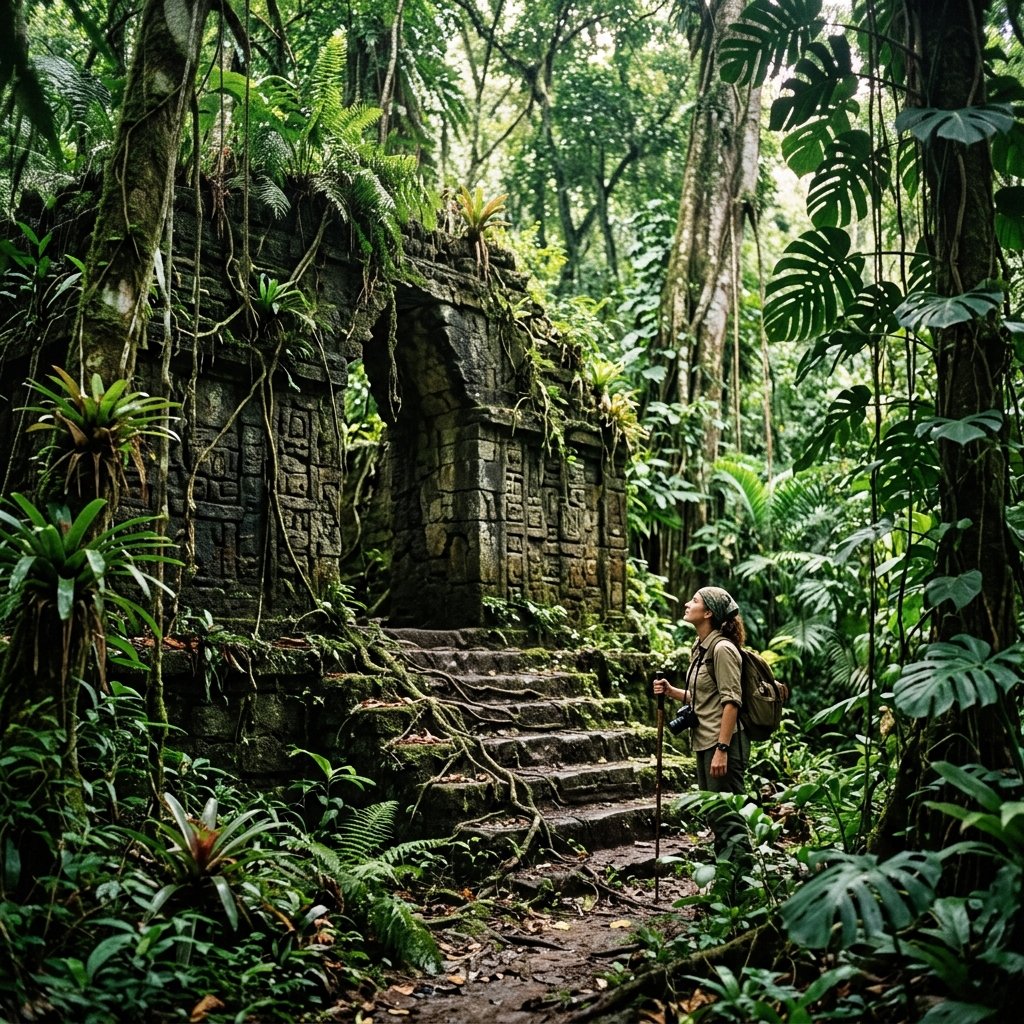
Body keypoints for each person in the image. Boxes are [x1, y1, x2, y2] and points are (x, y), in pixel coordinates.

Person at [653, 586, 752, 870]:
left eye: (694, 601)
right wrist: (671, 691)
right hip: (705, 740)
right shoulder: (701, 648)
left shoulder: (722, 649)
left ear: (708, 612)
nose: (687, 603)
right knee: (715, 816)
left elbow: (732, 702)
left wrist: (722, 749)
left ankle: (742, 887)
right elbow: (704, 697)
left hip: (723, 743)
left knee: (728, 818)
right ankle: (727, 880)